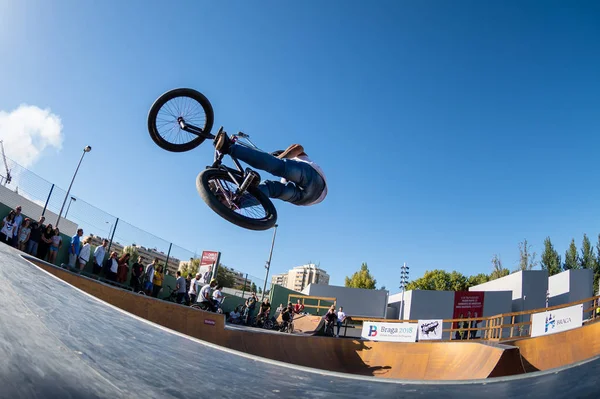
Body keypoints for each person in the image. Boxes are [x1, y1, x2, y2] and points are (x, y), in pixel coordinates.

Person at [214, 133, 327, 207]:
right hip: (307, 200)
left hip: (316, 182)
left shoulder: (300, 158)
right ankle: (233, 202)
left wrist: (277, 158)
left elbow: (298, 147)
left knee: (277, 166)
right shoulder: (286, 177)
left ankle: (228, 147)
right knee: (270, 188)